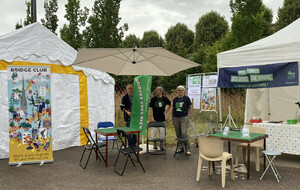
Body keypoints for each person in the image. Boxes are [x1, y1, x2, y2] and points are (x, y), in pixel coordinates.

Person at [172, 85, 192, 156]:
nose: (180, 92)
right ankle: (181, 148)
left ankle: (188, 149)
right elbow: (173, 109)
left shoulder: (186, 98)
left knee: (184, 133)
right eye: (179, 90)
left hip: (184, 118)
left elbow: (190, 107)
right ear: (177, 91)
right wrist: (172, 117)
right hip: (176, 118)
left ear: (184, 91)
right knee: (178, 134)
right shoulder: (175, 99)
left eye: (182, 90)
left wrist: (188, 115)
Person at [149, 86, 171, 151]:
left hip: (162, 119)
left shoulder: (164, 99)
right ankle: (154, 145)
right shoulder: (153, 99)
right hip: (155, 119)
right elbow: (151, 109)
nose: (156, 91)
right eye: (156, 90)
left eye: (157, 90)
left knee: (162, 133)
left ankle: (161, 145)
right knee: (154, 133)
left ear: (161, 91)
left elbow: (170, 104)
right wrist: (152, 117)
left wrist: (166, 111)